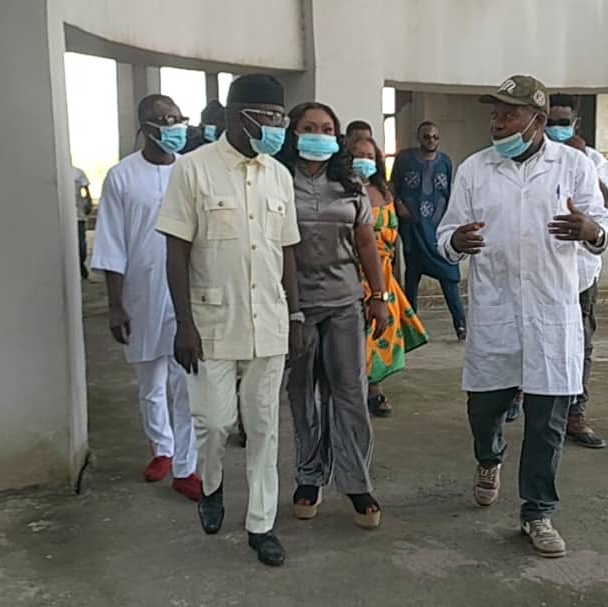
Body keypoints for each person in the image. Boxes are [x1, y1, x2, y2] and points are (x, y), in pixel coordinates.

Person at [437, 75, 608, 559]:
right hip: (495, 312)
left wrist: (588, 229)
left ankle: (537, 511)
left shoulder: (574, 166)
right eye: (494, 113)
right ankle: (488, 457)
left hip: (552, 313)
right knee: (484, 408)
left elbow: (605, 230)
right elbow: (446, 234)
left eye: (507, 114)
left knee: (547, 422)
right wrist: (456, 243)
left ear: (537, 119)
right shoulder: (474, 170)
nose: (496, 122)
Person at [157, 74, 298, 567]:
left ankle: (261, 526)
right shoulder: (193, 170)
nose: (280, 127)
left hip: (270, 323)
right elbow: (176, 252)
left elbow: (288, 251)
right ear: (243, 116)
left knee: (263, 429)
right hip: (210, 325)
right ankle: (212, 485)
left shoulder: (279, 175)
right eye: (273, 118)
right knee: (214, 424)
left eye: (282, 117)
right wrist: (184, 325)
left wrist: (295, 313)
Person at [277, 102, 391, 530]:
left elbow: (365, 244)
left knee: (349, 393)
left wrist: (378, 295)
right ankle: (309, 477)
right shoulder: (277, 179)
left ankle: (357, 482)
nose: (318, 134)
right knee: (303, 394)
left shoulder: (351, 182)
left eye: (326, 128)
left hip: (344, 302)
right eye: (309, 127)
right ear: (293, 132)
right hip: (295, 305)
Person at [90, 94, 201, 502]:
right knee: (151, 380)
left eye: (176, 117)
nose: (171, 124)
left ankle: (187, 467)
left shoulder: (190, 171)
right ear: (144, 126)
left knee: (188, 381)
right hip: (140, 292)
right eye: (162, 118)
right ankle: (163, 450)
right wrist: (115, 303)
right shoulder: (121, 176)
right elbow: (111, 242)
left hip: (187, 292)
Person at [545, 93, 608, 449]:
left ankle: (576, 414)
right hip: (543, 270)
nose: (555, 129)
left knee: (581, 343)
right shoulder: (534, 160)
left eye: (563, 122)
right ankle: (517, 397)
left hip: (582, 273)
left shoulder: (595, 161)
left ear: (576, 124)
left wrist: (581, 159)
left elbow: (604, 206)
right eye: (550, 122)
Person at [351, 136, 429, 418]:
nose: (364, 160)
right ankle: (364, 390)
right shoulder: (344, 193)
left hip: (385, 275)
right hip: (356, 276)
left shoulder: (383, 193)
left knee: (381, 333)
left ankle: (374, 386)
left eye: (370, 156)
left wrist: (393, 276)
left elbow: (392, 240)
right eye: (358, 154)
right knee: (359, 337)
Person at [392, 121, 467, 340]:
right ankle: (409, 325)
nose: (431, 141)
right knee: (412, 278)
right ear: (419, 138)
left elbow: (447, 192)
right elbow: (394, 184)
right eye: (426, 137)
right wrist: (398, 204)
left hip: (437, 229)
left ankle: (460, 325)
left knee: (449, 275)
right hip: (413, 228)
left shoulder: (445, 161)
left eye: (435, 137)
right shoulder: (405, 159)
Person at [72, 166, 92, 279]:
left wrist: (88, 202)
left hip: (79, 215)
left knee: (81, 245)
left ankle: (80, 262)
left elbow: (86, 189)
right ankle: (77, 266)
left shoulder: (78, 173)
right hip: (65, 215)